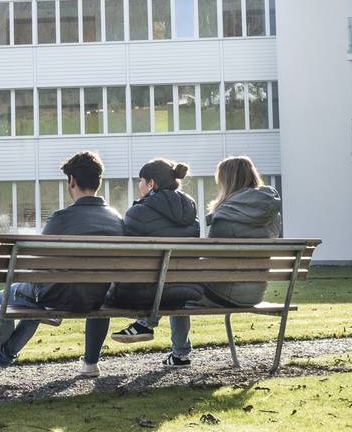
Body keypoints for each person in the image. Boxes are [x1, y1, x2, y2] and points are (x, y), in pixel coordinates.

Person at [0, 151, 124, 379]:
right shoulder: (117, 220)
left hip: (56, 297)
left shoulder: (61, 218)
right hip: (97, 298)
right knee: (35, 304)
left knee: (3, 297)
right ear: (99, 182)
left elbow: (39, 266)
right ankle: (90, 364)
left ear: (72, 181)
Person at [107, 158, 202, 367]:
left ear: (151, 184)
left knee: (152, 280)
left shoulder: (137, 213)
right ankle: (180, 354)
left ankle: (145, 324)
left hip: (143, 293)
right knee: (173, 281)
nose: (139, 185)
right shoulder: (191, 213)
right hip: (184, 290)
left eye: (141, 180)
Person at [192, 155, 282, 307]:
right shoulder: (272, 213)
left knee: (174, 288)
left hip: (223, 293)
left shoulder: (226, 215)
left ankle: (144, 326)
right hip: (255, 294)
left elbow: (210, 256)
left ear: (227, 182)